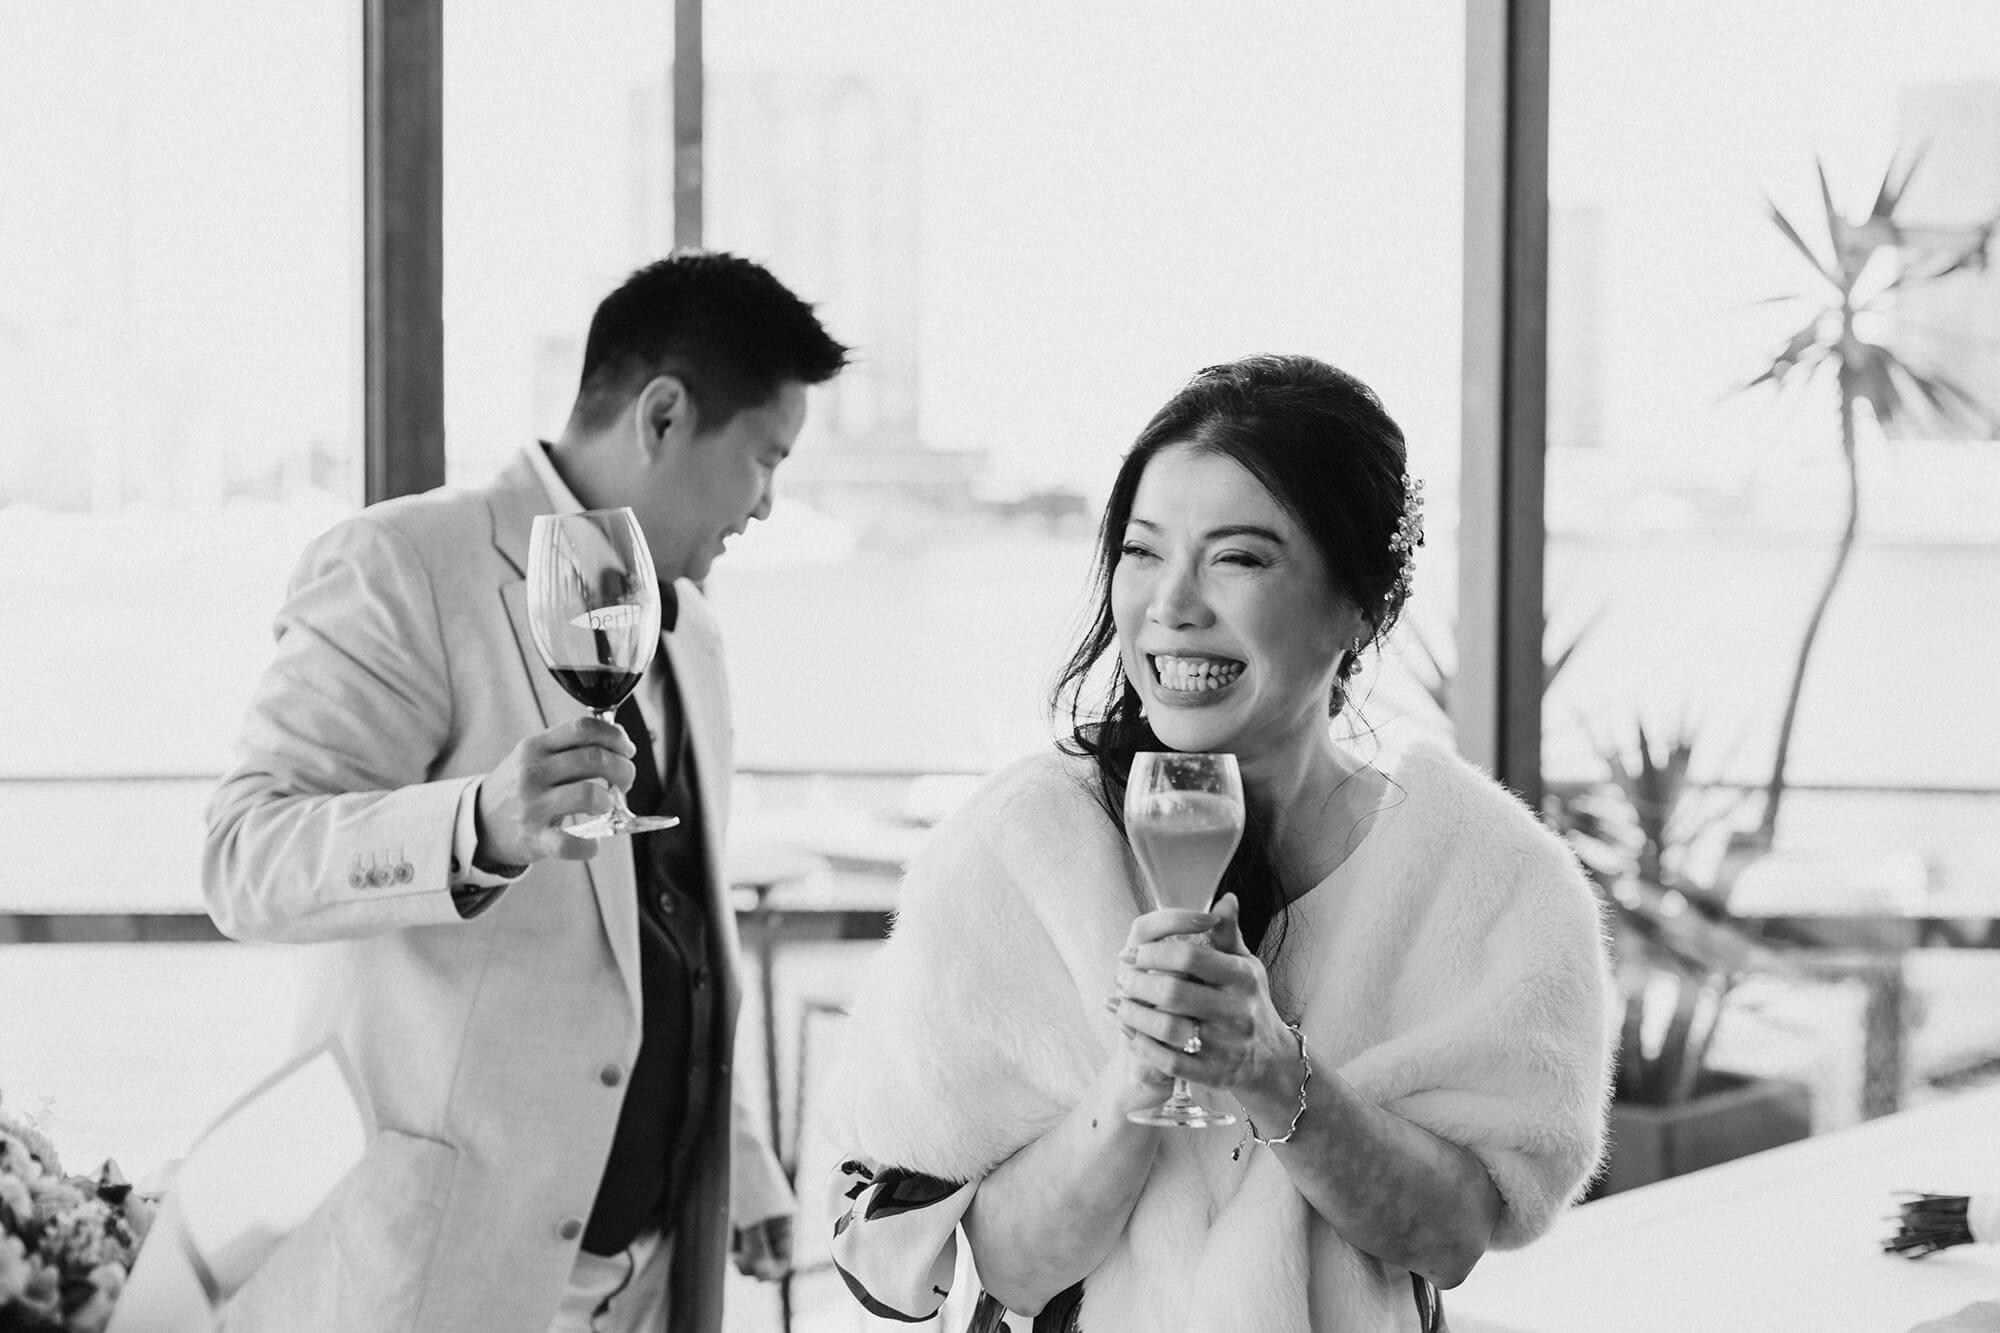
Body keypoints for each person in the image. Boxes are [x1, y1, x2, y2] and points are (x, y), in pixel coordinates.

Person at [824, 354, 1614, 1333]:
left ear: (1359, 603)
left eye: (1237, 557)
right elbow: (1011, 1273)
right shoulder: (1021, 849)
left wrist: (1273, 1071)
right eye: (1145, 551)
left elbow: (1452, 1234)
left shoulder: (1482, 871)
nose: (1171, 604)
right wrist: (1137, 1074)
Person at [203, 250, 849, 1333]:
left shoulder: (691, 633)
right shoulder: (402, 563)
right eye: (763, 459)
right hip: (443, 1276)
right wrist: (477, 826)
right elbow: (245, 857)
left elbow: (674, 923)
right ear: (662, 415)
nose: (768, 504)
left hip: (652, 1281)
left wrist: (740, 1162)